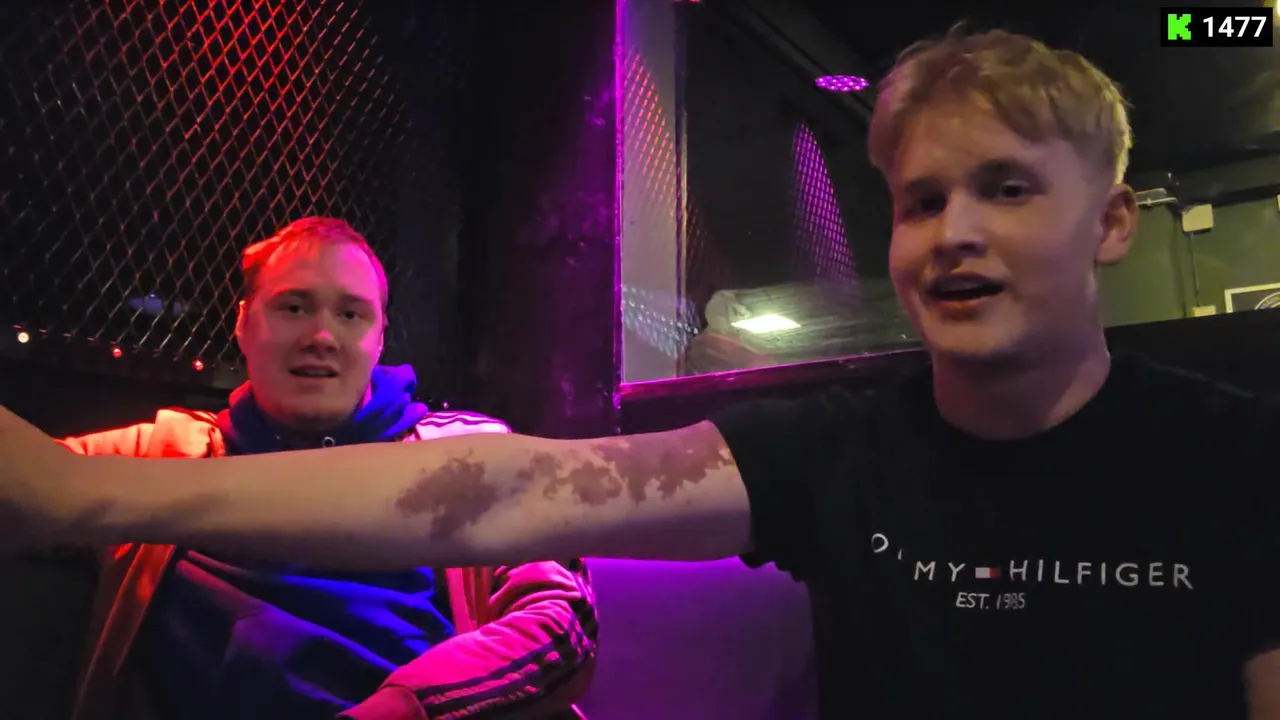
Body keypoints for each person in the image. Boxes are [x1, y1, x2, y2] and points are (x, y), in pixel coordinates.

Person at [2, 27, 1278, 719]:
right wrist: (75, 492)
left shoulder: (1232, 457)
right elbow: (516, 490)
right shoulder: (839, 452)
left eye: (1005, 190)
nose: (952, 233)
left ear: (1111, 223)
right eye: (920, 200)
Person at [38, 217, 598, 720]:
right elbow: (27, 478)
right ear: (243, 324)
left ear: (379, 337)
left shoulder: (466, 454)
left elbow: (560, 620)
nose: (321, 337)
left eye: (350, 314)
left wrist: (406, 710)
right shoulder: (164, 453)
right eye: (294, 307)